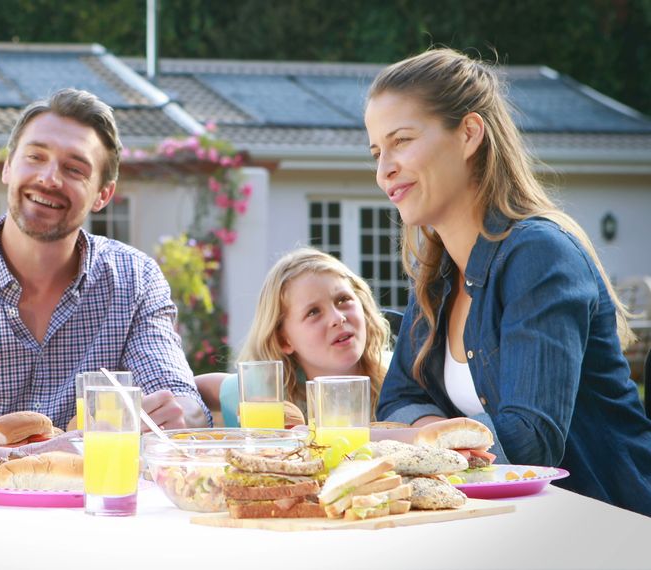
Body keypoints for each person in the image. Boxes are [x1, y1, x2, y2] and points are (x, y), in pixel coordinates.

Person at [365, 47, 651, 515]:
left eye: (402, 141)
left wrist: (411, 444)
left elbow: (530, 439)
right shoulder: (437, 275)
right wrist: (437, 441)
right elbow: (399, 396)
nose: (384, 170)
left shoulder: (539, 254)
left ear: (469, 134)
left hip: (606, 525)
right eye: (377, 151)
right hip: (504, 527)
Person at [0, 88, 210, 433]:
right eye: (35, 157)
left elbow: (178, 397)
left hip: (94, 484)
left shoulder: (134, 279)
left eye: (75, 169)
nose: (49, 179)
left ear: (103, 194)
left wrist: (179, 412)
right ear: (7, 167)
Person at [196, 248, 391, 427]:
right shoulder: (264, 395)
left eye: (343, 300)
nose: (338, 318)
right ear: (284, 340)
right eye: (313, 312)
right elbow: (190, 388)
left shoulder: (402, 378)